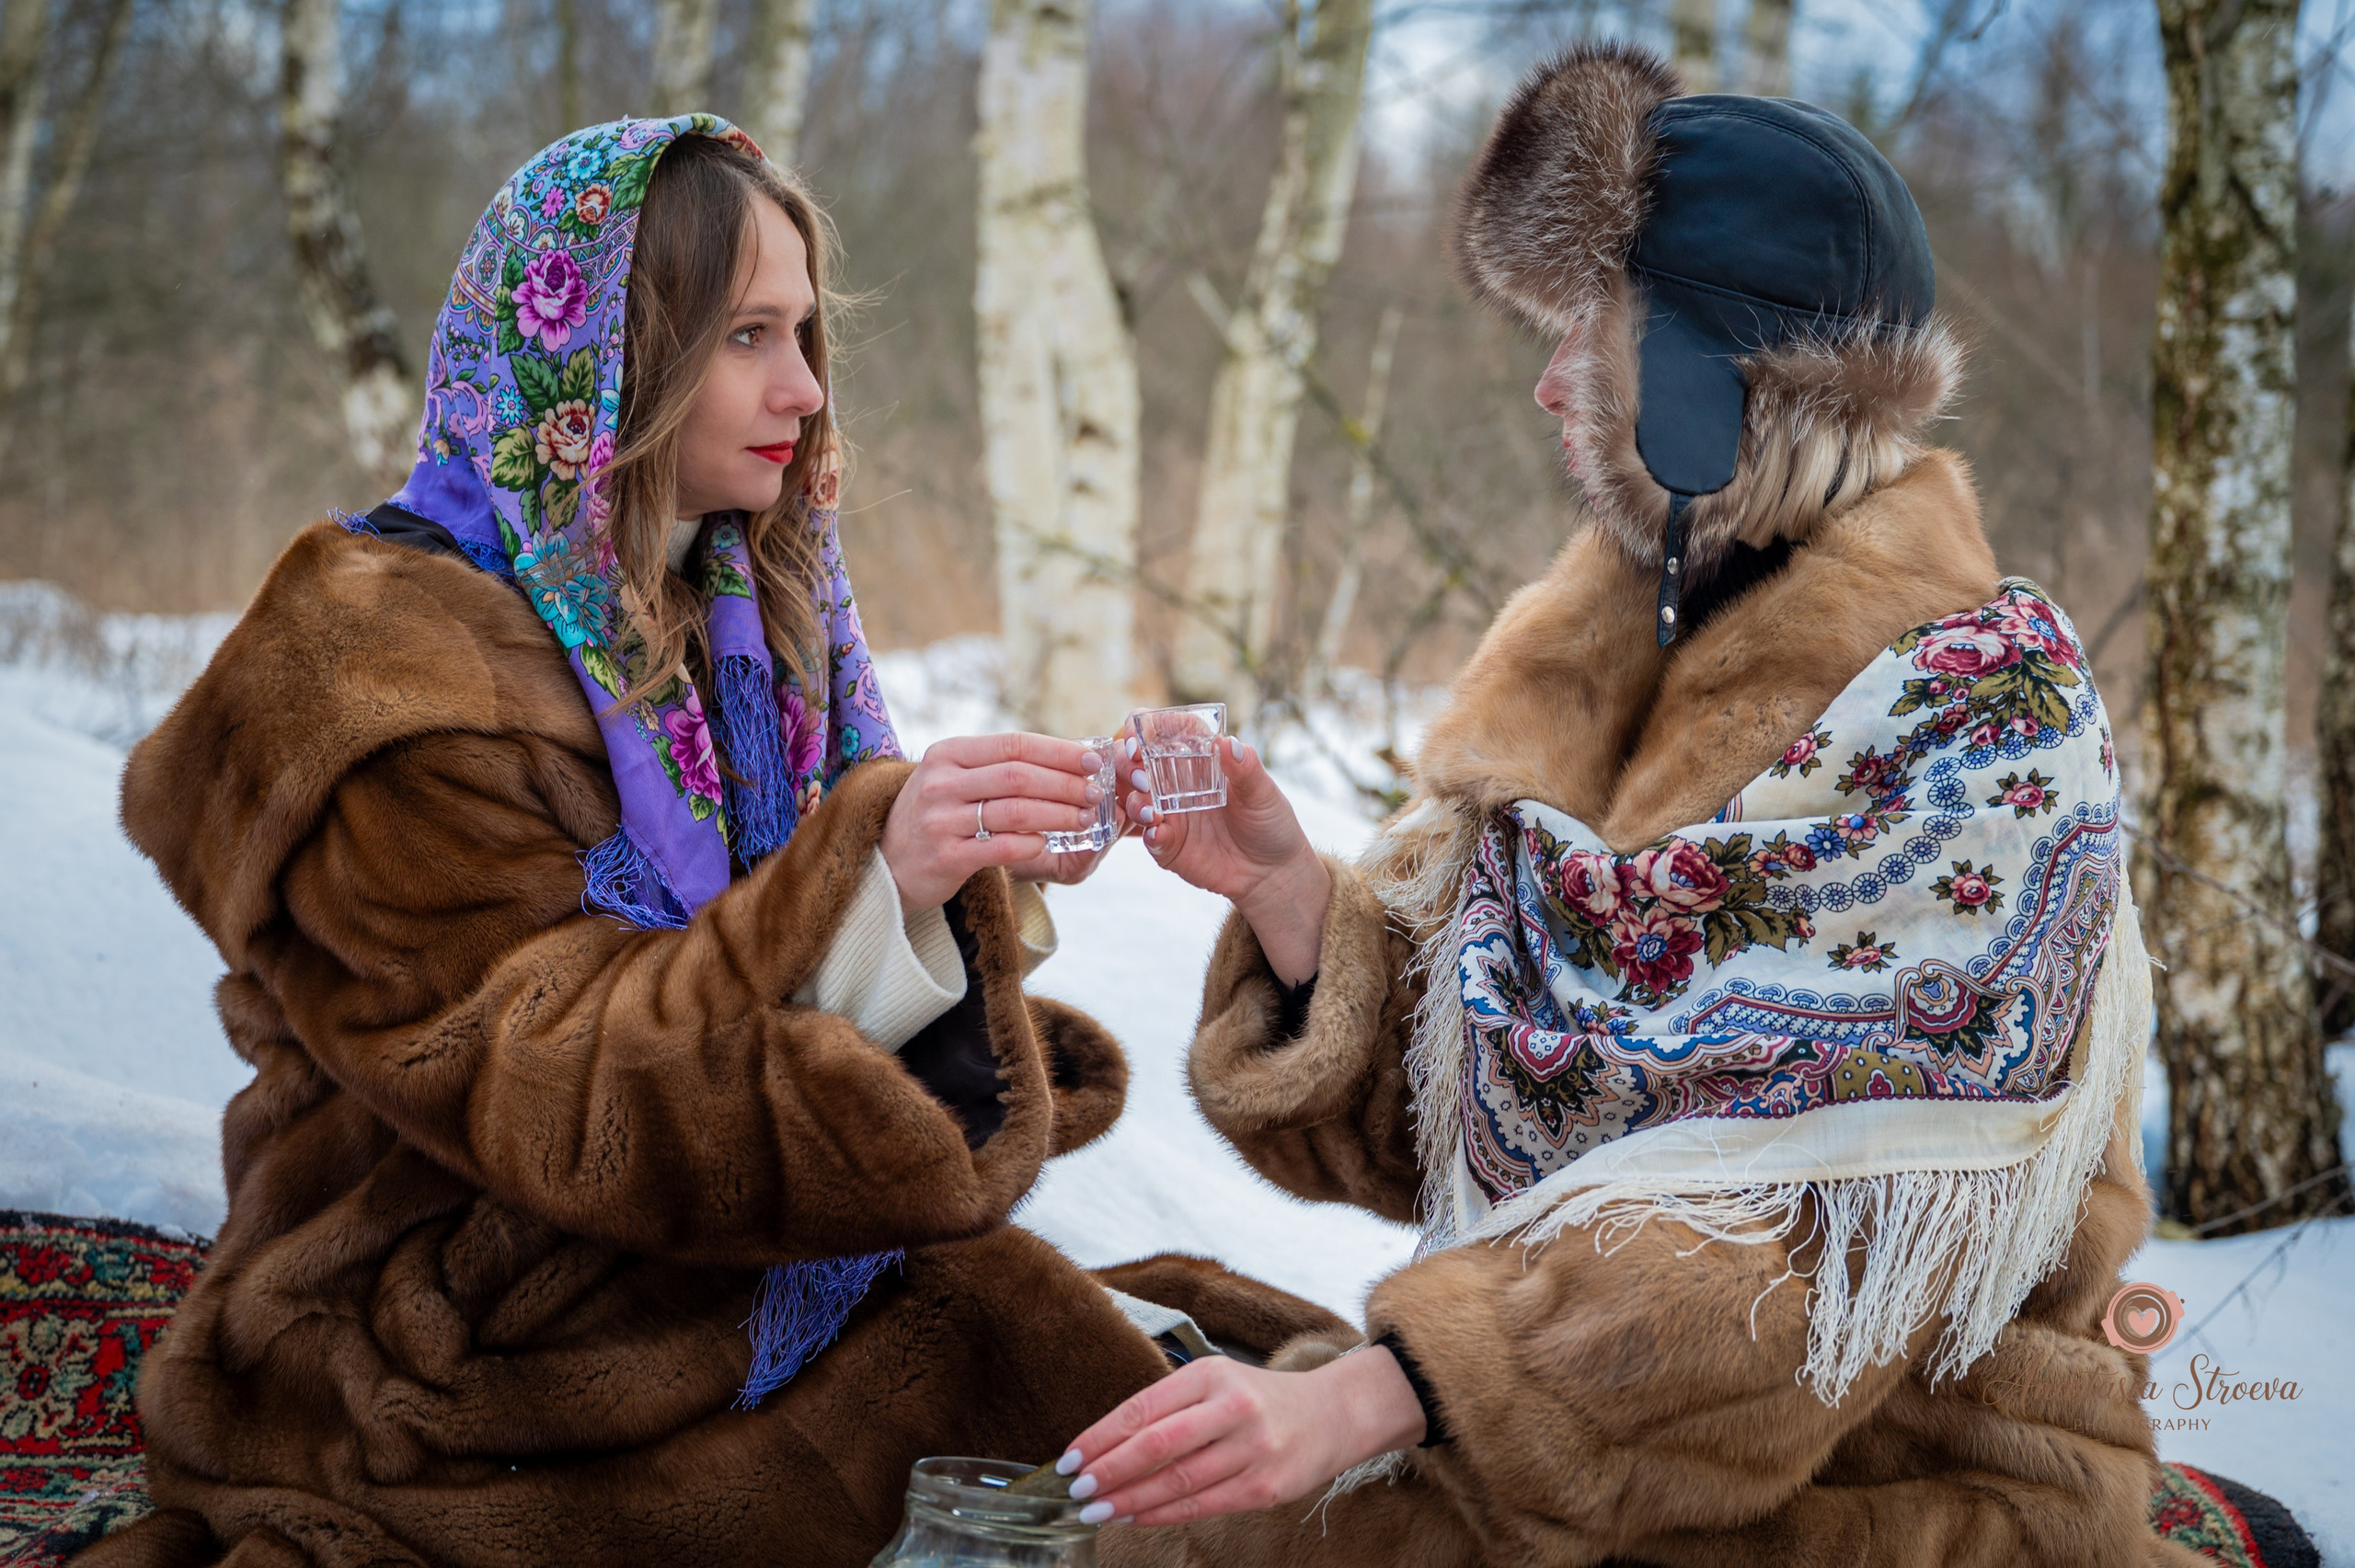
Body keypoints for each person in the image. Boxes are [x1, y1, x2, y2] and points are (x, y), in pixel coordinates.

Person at [88, 116, 1339, 1568]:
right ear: (605, 359)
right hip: (441, 1328)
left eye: (805, 331)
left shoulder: (743, 605)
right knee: (1111, 1413)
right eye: (748, 334)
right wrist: (880, 879)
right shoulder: (383, 686)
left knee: (1230, 1369)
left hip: (696, 1260)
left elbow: (778, 963)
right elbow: (564, 1090)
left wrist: (959, 877)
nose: (806, 389)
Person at [1065, 46, 2209, 1568]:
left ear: (1711, 371)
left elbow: (1808, 1256)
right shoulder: (1596, 666)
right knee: (1090, 1367)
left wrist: (1383, 1391)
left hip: (1898, 1481)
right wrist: (1284, 890)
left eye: (1586, 336)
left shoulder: (1978, 727)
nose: (1548, 382)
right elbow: (1503, 1118)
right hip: (1581, 1438)